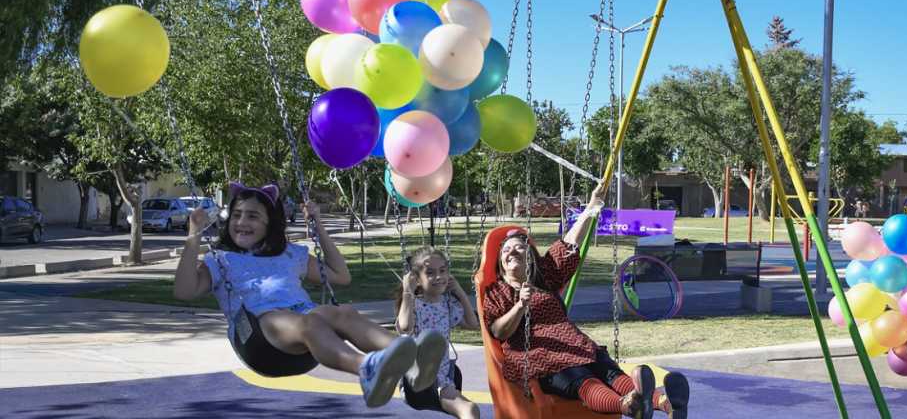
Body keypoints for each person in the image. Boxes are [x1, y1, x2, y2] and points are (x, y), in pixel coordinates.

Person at [173, 181, 446, 408]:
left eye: (252, 216)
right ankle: (366, 368)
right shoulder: (221, 259)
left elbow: (340, 275)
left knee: (342, 313)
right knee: (306, 321)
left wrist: (319, 225)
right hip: (259, 339)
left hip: (308, 333)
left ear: (270, 223)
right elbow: (184, 291)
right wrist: (194, 235)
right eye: (236, 215)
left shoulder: (289, 254)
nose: (241, 222)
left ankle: (414, 360)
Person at [482, 182, 690, 419]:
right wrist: (520, 305)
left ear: (530, 258)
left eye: (519, 248)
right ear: (500, 263)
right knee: (585, 381)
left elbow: (570, 243)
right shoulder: (497, 292)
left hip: (577, 345)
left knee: (612, 374)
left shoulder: (545, 277)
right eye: (506, 250)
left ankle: (666, 404)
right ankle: (630, 406)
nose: (512, 252)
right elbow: (498, 331)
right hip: (540, 355)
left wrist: (592, 205)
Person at [395, 247, 481, 419]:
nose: (439, 277)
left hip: (441, 379)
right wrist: (407, 291)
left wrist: (460, 292)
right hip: (416, 379)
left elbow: (473, 324)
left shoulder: (447, 305)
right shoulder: (414, 305)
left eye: (442, 271)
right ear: (417, 279)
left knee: (471, 410)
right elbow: (405, 326)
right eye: (430, 273)